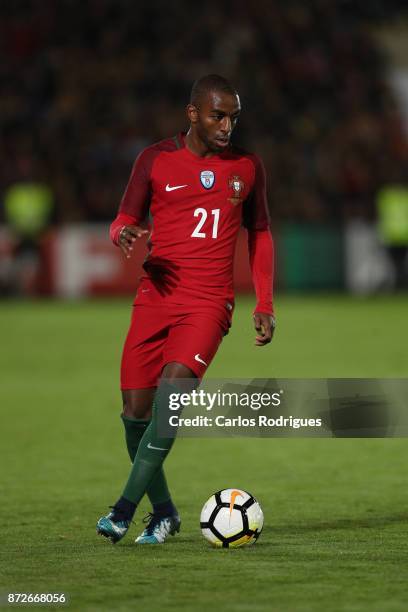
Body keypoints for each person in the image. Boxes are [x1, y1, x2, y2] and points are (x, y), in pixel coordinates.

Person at [96, 74, 275, 545]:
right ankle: (166, 513)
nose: (227, 125)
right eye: (218, 115)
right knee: (135, 413)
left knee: (171, 395)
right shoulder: (155, 159)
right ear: (193, 113)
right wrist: (124, 236)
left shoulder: (248, 166)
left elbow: (260, 233)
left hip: (209, 303)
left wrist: (265, 301)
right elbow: (122, 219)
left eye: (234, 117)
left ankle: (122, 510)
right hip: (154, 298)